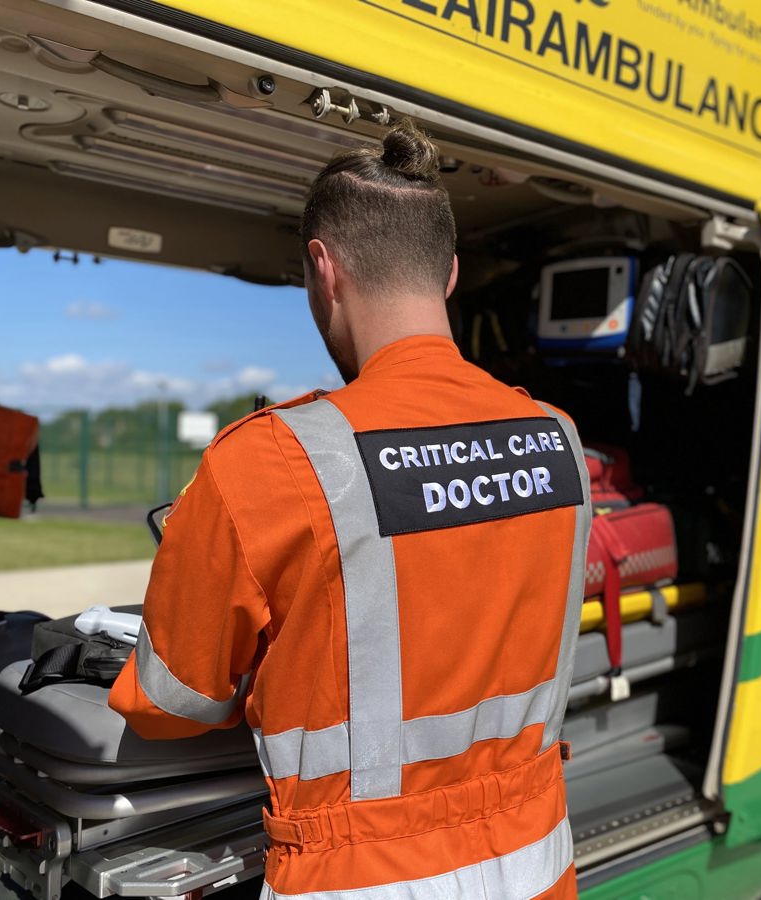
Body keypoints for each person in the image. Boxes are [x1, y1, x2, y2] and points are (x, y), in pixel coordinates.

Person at [109, 120, 591, 899]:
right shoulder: (559, 442)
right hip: (536, 862)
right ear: (451, 274)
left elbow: (173, 702)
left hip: (362, 877)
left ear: (323, 269)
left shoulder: (270, 460)